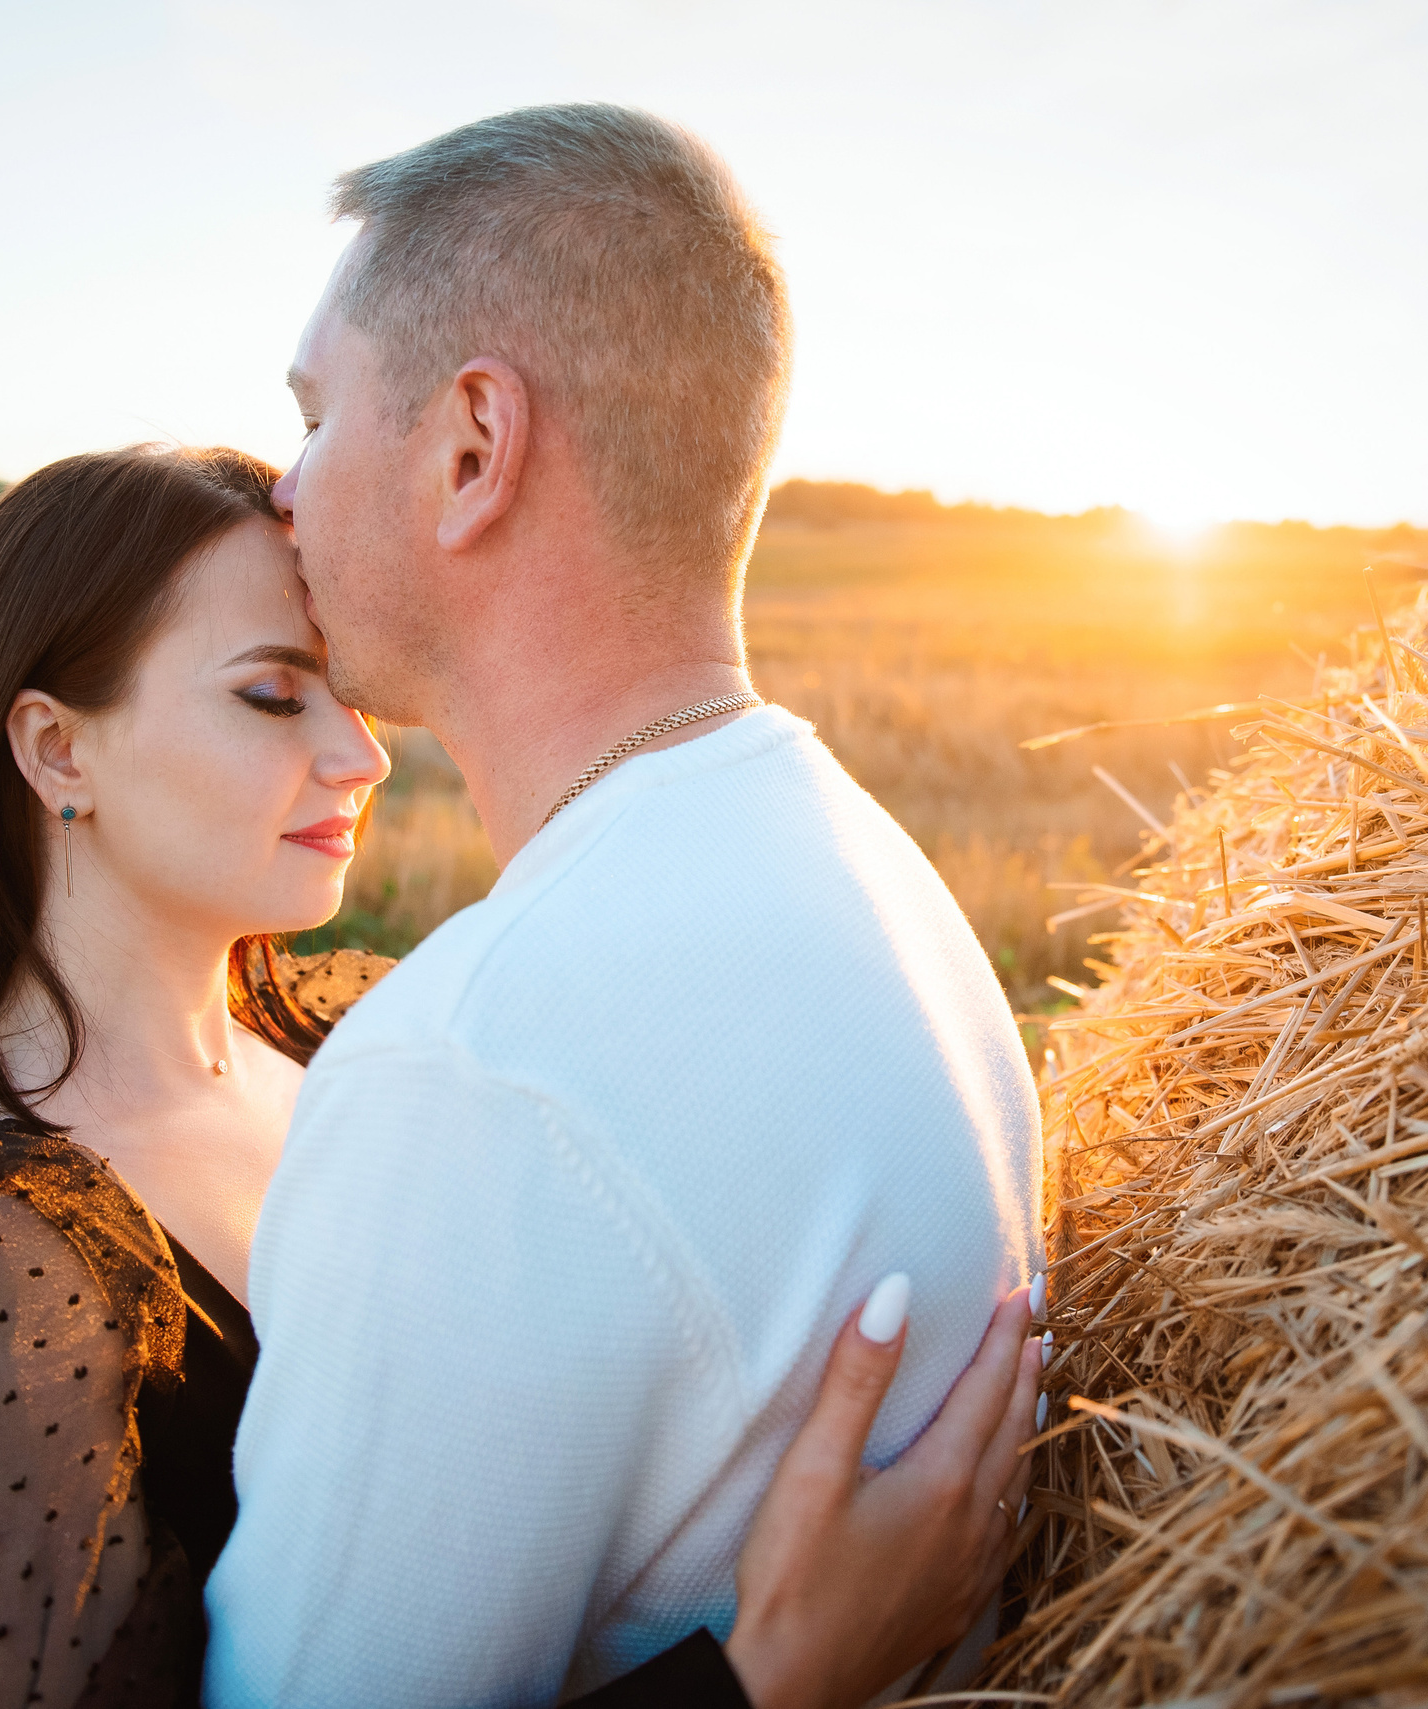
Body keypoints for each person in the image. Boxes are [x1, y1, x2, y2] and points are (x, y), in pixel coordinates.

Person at [0, 445, 1042, 1709]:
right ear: (57, 751)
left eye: (349, 692)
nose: (361, 753)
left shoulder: (372, 1033)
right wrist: (768, 1679)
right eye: (276, 696)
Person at [205, 106, 1043, 1706]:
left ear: (472, 449)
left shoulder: (475, 1077)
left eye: (315, 416)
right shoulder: (871, 867)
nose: (284, 492)